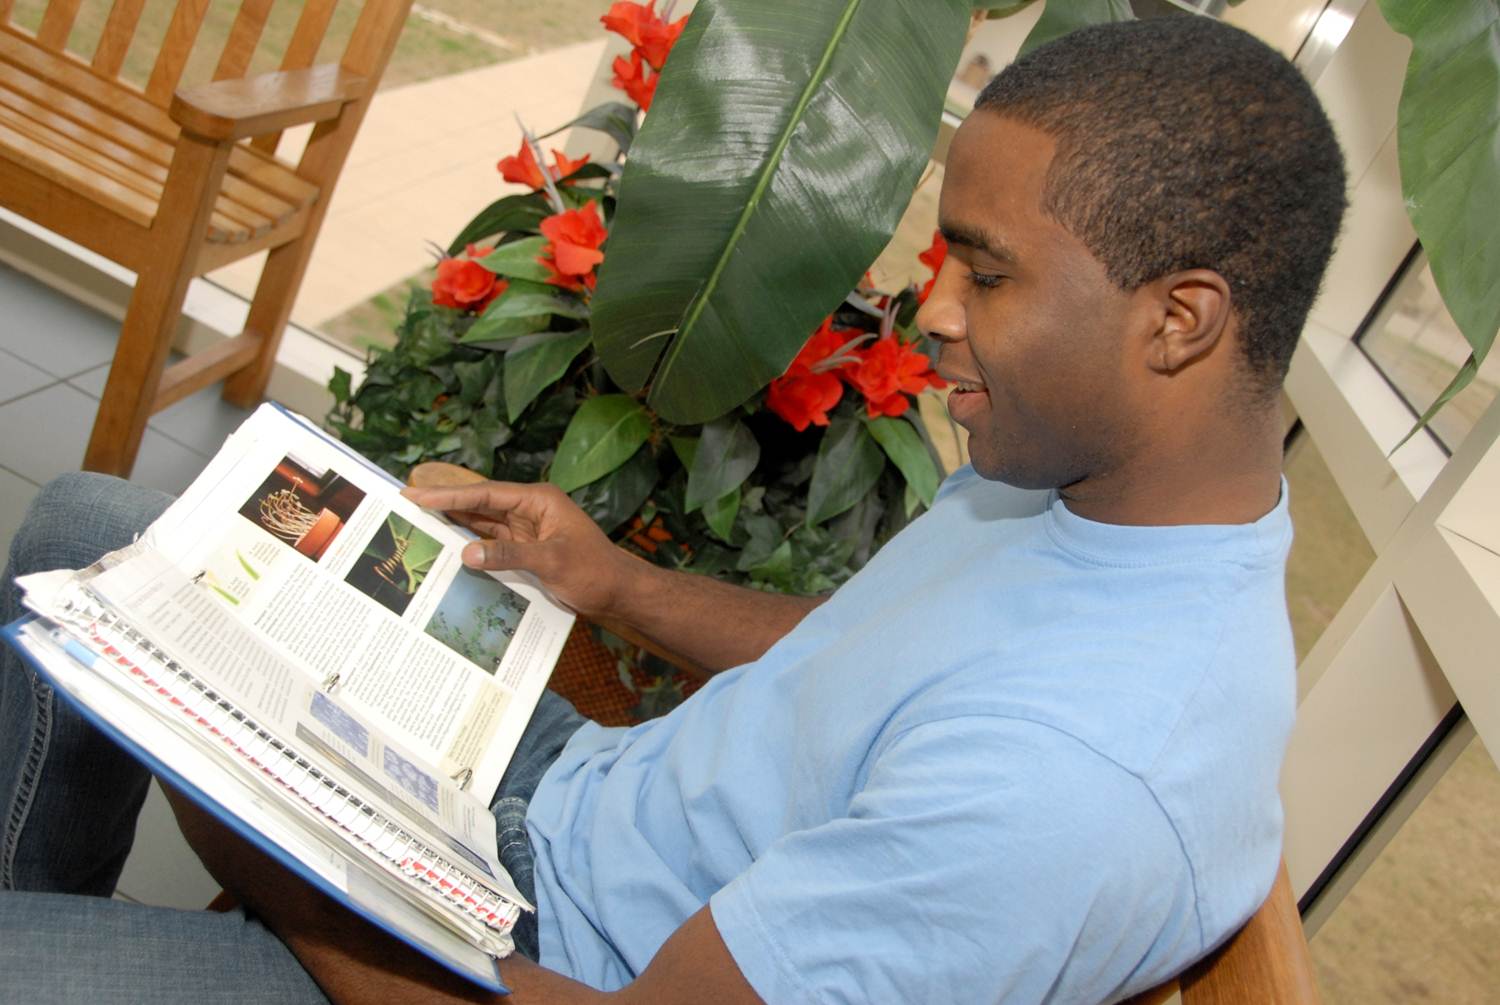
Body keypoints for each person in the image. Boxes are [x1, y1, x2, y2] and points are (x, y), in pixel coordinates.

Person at [0, 15, 1345, 1004]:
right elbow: (874, 662)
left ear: (1182, 321)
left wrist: (287, 845)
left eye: (985, 277)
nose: (932, 313)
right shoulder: (1096, 487)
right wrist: (609, 581)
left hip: (534, 954)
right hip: (574, 798)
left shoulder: (1077, 782)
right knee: (88, 525)